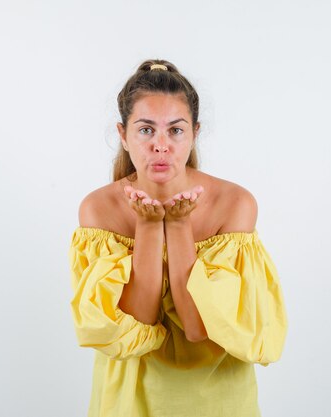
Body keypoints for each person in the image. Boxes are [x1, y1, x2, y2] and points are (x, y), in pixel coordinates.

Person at [68, 59, 288, 417]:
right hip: (129, 403)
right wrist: (150, 227)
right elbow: (138, 322)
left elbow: (199, 326)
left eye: (175, 130)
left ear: (194, 133)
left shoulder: (234, 204)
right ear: (123, 135)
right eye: (145, 130)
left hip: (218, 402)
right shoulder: (98, 210)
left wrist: (180, 226)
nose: (160, 145)